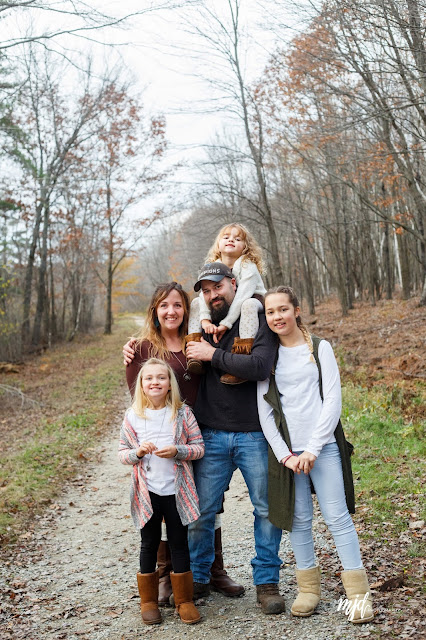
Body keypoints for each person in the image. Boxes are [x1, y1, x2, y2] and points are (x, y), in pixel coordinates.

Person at [257, 286, 374, 624]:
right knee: (299, 520)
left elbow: (332, 402)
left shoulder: (320, 347)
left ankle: (358, 596)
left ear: (296, 309)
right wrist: (286, 455)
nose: (277, 316)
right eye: (270, 312)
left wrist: (313, 448)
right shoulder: (267, 357)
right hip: (290, 456)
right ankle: (308, 590)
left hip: (322, 449)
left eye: (283, 309)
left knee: (337, 517)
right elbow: (264, 411)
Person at [123, 282, 244, 602]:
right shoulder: (142, 348)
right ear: (155, 311)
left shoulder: (200, 338)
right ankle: (166, 574)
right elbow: (138, 400)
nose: (171, 311)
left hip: (203, 430)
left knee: (208, 501)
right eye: (164, 305)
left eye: (177, 305)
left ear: (186, 310)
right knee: (164, 506)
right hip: (162, 441)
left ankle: (214, 570)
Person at [185, 263, 285, 614]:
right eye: (206, 290)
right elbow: (164, 336)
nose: (214, 295)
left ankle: (267, 582)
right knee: (201, 513)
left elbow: (259, 367)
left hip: (255, 434)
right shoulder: (200, 326)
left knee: (267, 510)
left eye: (218, 287)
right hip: (210, 434)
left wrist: (213, 356)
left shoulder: (254, 316)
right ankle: (198, 579)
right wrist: (132, 347)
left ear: (233, 284)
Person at [118, 358, 204, 625]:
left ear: (170, 384)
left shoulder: (182, 414)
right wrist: (138, 452)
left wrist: (179, 451)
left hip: (176, 492)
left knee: (179, 543)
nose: (155, 382)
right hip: (148, 493)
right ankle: (148, 601)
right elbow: (123, 454)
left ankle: (184, 601)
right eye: (149, 378)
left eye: (161, 378)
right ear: (141, 386)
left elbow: (199, 447)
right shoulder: (133, 416)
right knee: (149, 543)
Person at [186, 223, 266, 384]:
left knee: (248, 305)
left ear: (245, 246)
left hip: (252, 299)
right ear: (218, 244)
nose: (231, 240)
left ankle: (243, 358)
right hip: (232, 303)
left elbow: (242, 297)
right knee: (195, 302)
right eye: (226, 237)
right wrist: (205, 320)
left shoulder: (247, 265)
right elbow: (203, 294)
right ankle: (194, 353)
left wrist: (225, 324)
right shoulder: (213, 265)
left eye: (237, 238)